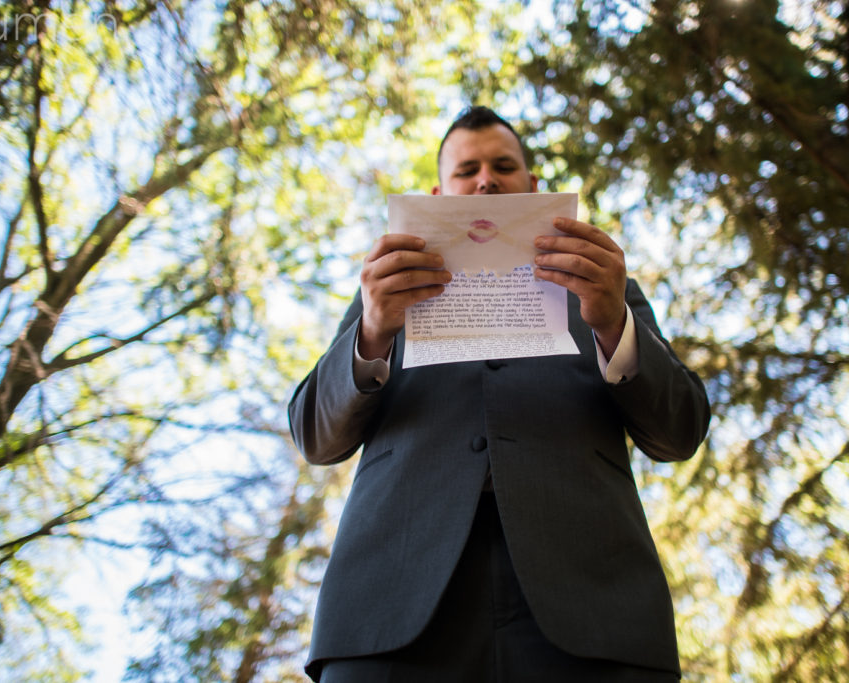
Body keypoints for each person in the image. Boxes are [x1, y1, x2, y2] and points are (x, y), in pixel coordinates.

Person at [289, 106, 710, 682]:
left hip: (595, 602)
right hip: (391, 601)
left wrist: (613, 324)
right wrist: (371, 330)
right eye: (468, 170)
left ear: (533, 186)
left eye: (503, 165)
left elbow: (678, 433)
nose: (486, 179)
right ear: (439, 194)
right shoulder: (385, 296)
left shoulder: (604, 288)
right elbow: (315, 436)